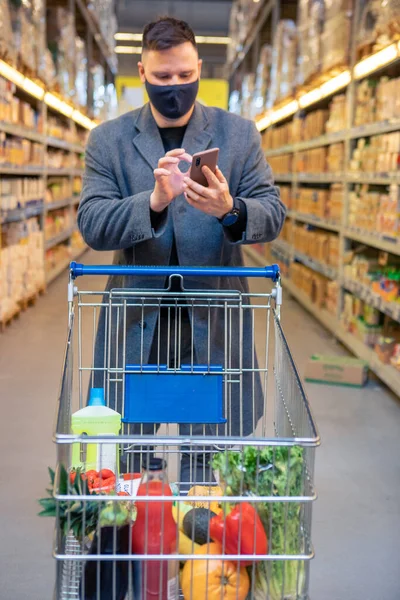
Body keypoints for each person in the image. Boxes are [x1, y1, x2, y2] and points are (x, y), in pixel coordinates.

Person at [78, 16, 286, 484]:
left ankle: (201, 545)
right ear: (142, 72)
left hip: (212, 327)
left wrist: (231, 210)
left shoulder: (238, 135)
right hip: (137, 328)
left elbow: (273, 212)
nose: (176, 86)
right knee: (127, 460)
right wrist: (152, 202)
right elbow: (91, 223)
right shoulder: (108, 141)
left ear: (199, 70)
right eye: (164, 77)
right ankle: (133, 548)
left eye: (186, 76)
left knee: (207, 460)